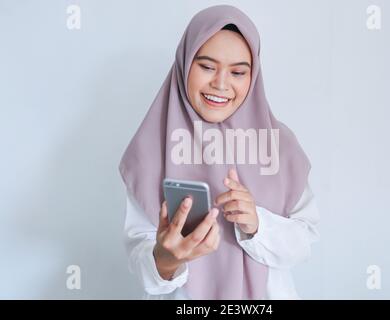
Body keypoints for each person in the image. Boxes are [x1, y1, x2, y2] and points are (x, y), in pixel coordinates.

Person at [119, 5, 320, 300]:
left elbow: (304, 244)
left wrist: (257, 224)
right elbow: (140, 254)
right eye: (207, 67)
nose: (221, 84)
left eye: (238, 72)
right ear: (185, 63)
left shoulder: (279, 145)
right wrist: (166, 259)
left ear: (253, 76)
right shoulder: (151, 147)